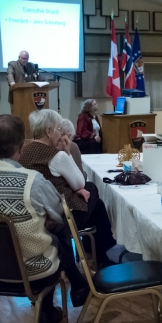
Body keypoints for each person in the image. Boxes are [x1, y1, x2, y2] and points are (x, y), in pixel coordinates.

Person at [0, 114, 89, 323]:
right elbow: (59, 213)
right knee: (58, 232)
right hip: (30, 272)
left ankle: (67, 294)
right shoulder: (32, 181)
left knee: (46, 233)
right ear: (20, 146)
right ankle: (73, 289)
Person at [20, 109, 117, 268]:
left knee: (97, 207)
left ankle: (99, 253)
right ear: (48, 132)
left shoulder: (24, 151)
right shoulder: (57, 156)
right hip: (61, 216)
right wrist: (67, 153)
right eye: (58, 129)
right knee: (91, 188)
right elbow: (80, 183)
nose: (61, 133)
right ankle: (102, 255)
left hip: (36, 214)